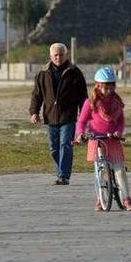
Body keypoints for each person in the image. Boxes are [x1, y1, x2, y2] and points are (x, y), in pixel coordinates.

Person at [74, 67, 131, 211]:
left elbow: (120, 121)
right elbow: (81, 122)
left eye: (112, 86)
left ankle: (126, 198)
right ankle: (100, 199)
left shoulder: (117, 102)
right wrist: (81, 134)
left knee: (120, 169)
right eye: (106, 87)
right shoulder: (90, 103)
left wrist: (119, 132)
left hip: (112, 140)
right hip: (96, 139)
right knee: (99, 170)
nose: (109, 90)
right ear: (98, 85)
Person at [29, 43, 88, 185]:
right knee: (53, 148)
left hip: (68, 116)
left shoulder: (74, 72)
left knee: (65, 145)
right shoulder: (42, 74)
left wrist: (83, 115)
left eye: (61, 54)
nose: (58, 57)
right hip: (50, 117)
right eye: (55, 55)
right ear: (50, 56)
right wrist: (34, 112)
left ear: (65, 55)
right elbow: (37, 95)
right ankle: (61, 171)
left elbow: (83, 96)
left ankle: (63, 175)